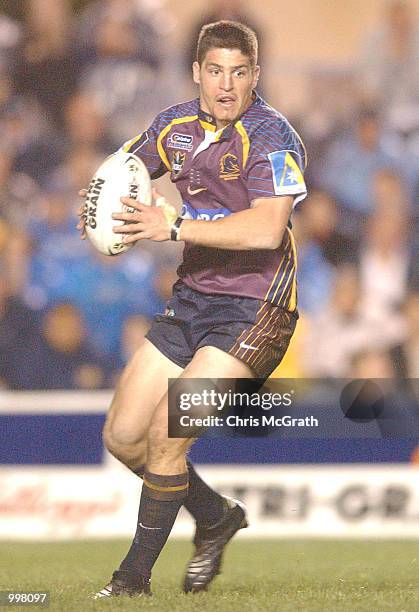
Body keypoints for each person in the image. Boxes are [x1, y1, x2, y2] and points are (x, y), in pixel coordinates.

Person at [77, 21, 307, 598]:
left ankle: (131, 582)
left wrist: (173, 223)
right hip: (192, 302)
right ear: (196, 73)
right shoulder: (173, 126)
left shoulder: (274, 137)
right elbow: (118, 176)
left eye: (239, 72)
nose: (226, 85)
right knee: (123, 437)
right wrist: (108, 215)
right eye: (215, 71)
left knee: (166, 432)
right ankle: (215, 516)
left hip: (257, 310)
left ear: (255, 76)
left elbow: (266, 229)